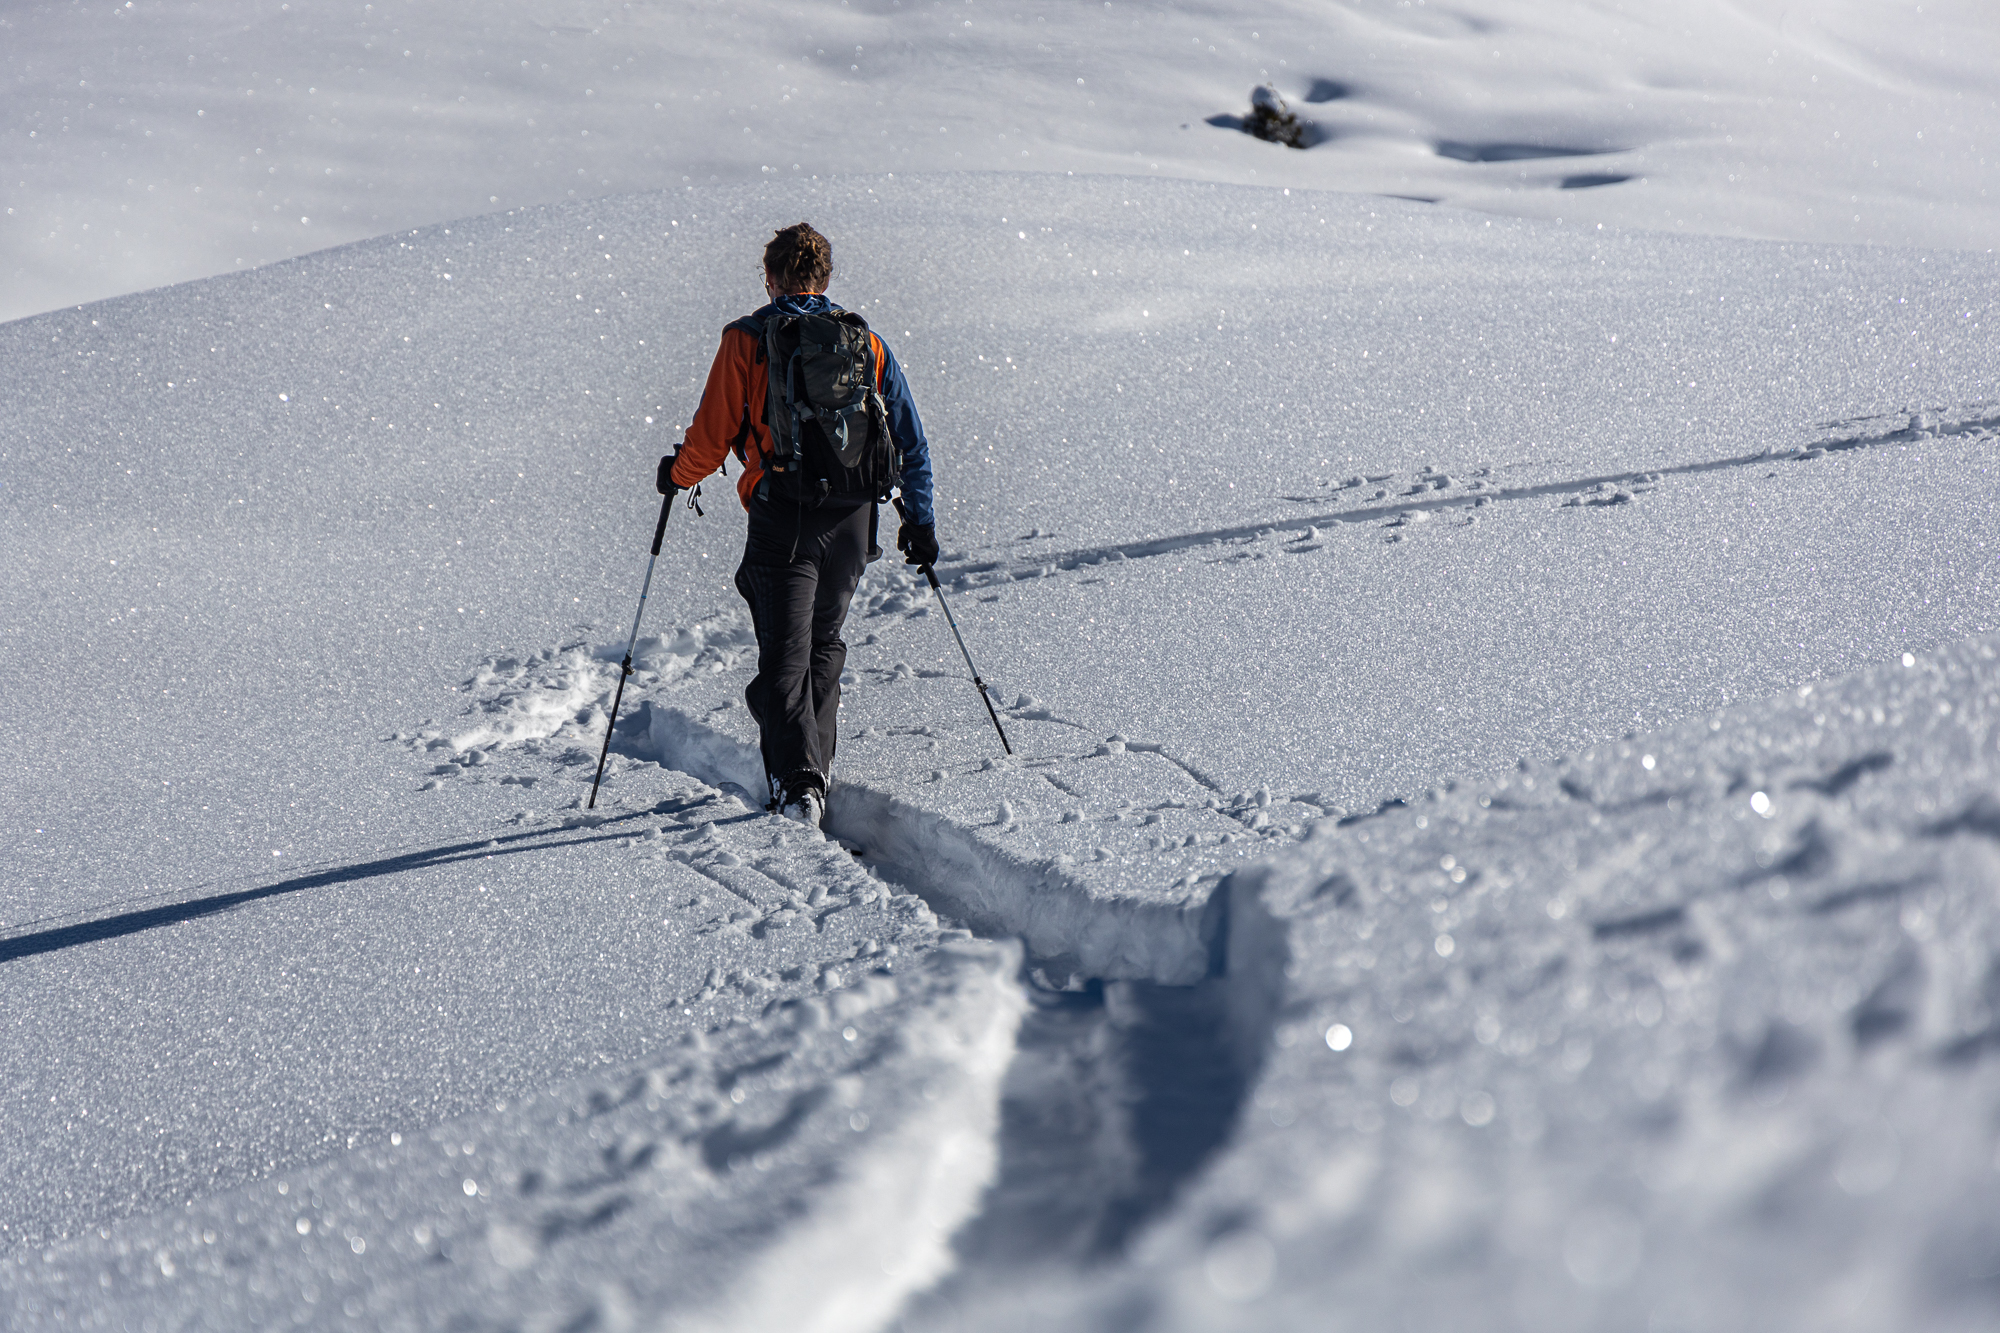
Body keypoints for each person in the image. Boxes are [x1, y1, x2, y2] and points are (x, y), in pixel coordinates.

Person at [658, 222, 938, 830]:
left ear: (771, 279)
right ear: (826, 280)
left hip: (783, 514)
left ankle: (798, 783)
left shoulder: (748, 339)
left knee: (783, 654)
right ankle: (814, 765)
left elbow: (709, 439)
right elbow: (911, 440)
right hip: (854, 518)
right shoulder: (867, 342)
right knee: (823, 642)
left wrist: (677, 476)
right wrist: (919, 521)